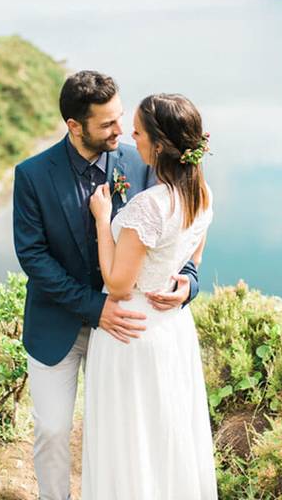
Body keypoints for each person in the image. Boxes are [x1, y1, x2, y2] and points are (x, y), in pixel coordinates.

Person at [12, 72, 201, 500]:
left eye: (121, 118)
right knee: (54, 430)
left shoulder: (143, 162)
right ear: (74, 126)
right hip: (58, 326)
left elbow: (178, 225)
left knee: (123, 432)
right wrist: (95, 307)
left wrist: (189, 282)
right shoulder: (32, 175)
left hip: (127, 333)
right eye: (108, 124)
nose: (122, 131)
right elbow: (33, 257)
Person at [81, 92, 217, 499]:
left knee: (129, 437)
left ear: (159, 145)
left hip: (130, 331)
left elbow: (119, 283)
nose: (130, 138)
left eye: (138, 132)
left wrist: (103, 222)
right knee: (168, 434)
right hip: (171, 331)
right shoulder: (202, 195)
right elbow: (194, 253)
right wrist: (182, 283)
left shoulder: (150, 205)